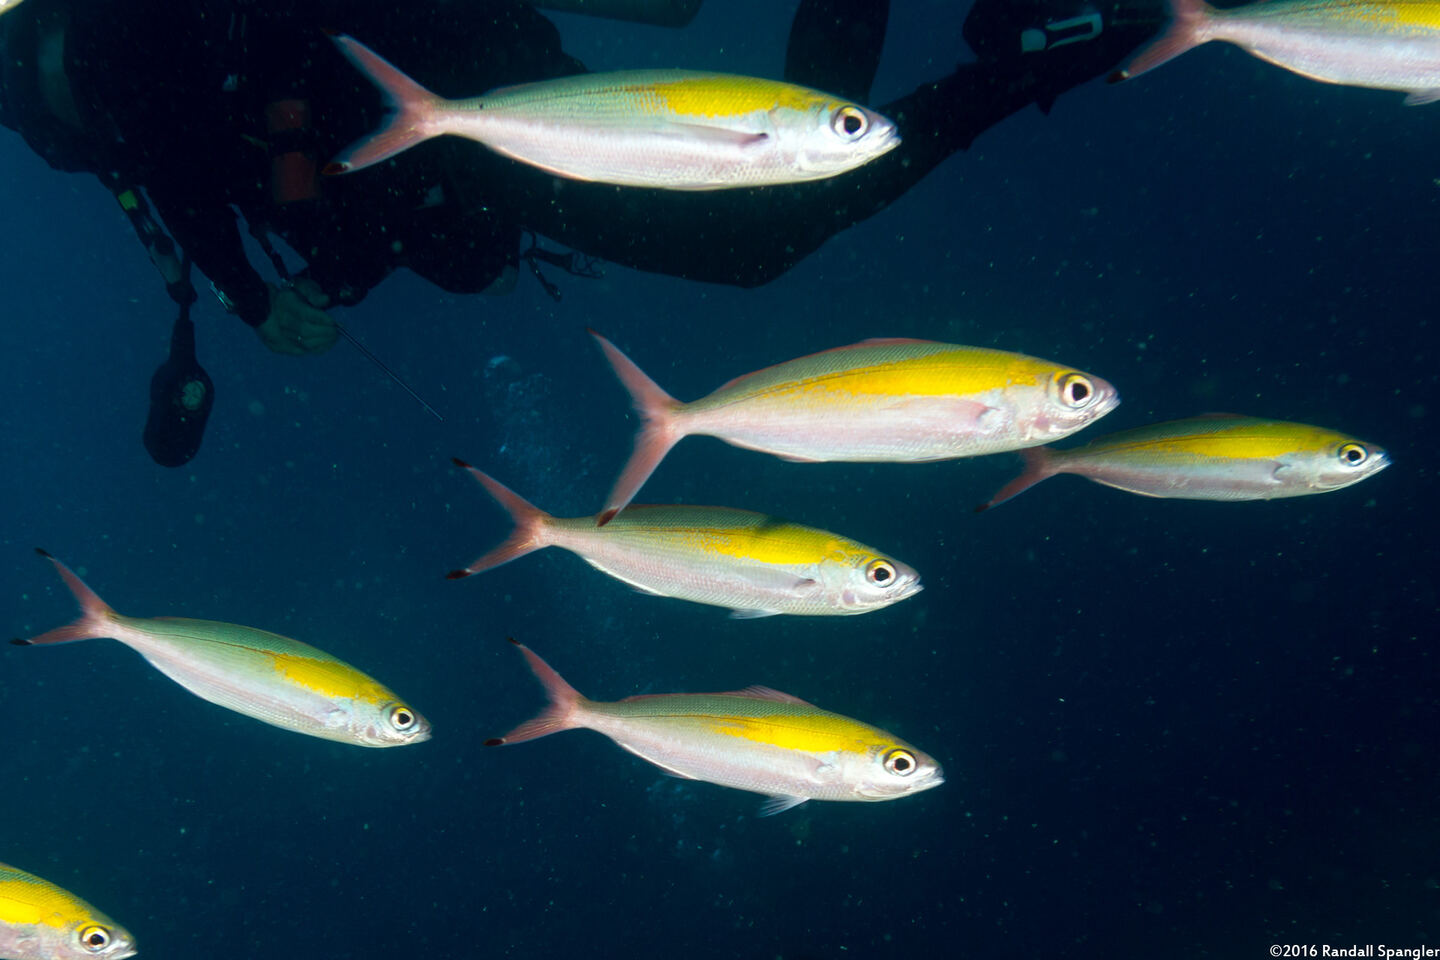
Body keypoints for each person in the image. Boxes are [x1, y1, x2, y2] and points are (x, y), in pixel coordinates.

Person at [0, 0, 1162, 464]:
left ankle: (1060, 45)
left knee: (767, 213)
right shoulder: (121, 74)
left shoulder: (109, 57)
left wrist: (255, 303)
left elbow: (173, 159)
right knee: (776, 186)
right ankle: (1030, 50)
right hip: (482, 122)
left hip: (482, 129)